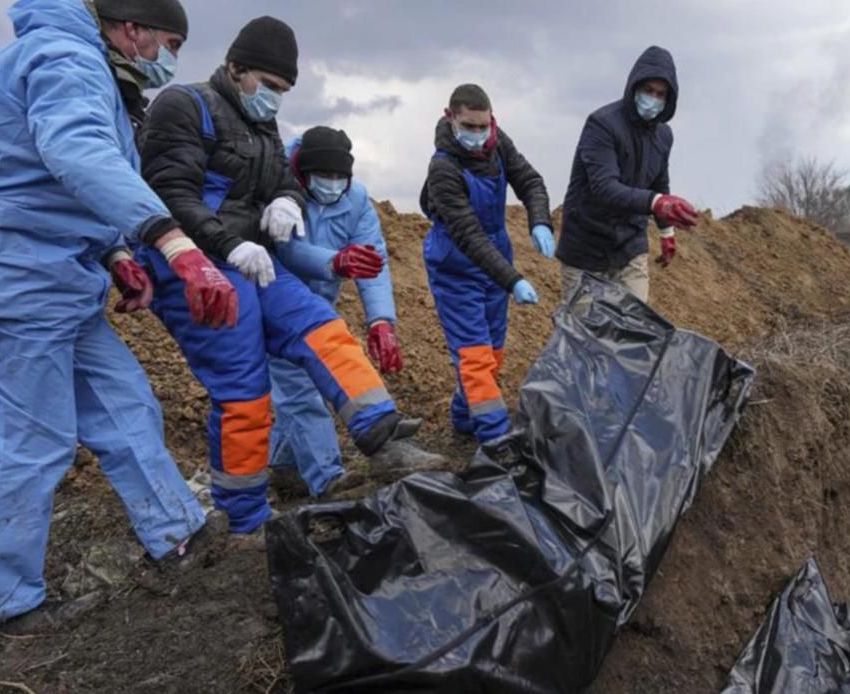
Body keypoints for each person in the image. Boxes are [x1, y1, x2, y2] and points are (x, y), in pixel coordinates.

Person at [0, 0, 234, 631]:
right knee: (28, 442)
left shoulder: (87, 67)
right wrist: (172, 242)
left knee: (124, 403)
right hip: (12, 278)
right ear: (131, 28)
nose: (167, 58)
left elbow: (51, 178)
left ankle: (177, 531)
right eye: (166, 42)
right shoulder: (67, 58)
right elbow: (76, 153)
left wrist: (117, 253)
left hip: (57, 279)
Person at [139, 16, 442, 536]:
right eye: (271, 85)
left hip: (253, 260)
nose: (276, 98)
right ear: (236, 69)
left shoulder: (263, 128)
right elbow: (169, 193)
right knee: (245, 391)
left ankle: (384, 438)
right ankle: (246, 520)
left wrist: (285, 198)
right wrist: (228, 244)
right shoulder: (183, 106)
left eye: (284, 90)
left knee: (323, 327)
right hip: (195, 263)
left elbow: (284, 180)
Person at [269, 127, 405, 497]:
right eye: (323, 177)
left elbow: (372, 261)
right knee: (299, 390)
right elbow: (284, 249)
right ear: (302, 171)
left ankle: (283, 467)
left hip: (319, 305)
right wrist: (334, 262)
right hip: (277, 301)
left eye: (339, 178)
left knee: (303, 383)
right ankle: (328, 479)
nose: (331, 185)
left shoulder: (356, 199)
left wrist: (381, 321)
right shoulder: (278, 188)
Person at [420, 84, 553, 460]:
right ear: (451, 117)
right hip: (456, 266)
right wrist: (512, 279)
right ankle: (497, 443)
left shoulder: (497, 143)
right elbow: (468, 234)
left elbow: (530, 180)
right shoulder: (443, 168)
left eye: (484, 126)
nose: (478, 135)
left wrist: (539, 220)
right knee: (475, 357)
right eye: (469, 126)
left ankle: (464, 417)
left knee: (493, 353)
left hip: (495, 258)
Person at [556, 46, 700, 304]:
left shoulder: (663, 135)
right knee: (585, 337)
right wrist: (656, 202)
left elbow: (659, 182)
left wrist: (666, 232)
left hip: (630, 245)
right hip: (586, 247)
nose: (653, 98)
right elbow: (605, 187)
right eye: (648, 91)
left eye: (660, 94)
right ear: (634, 87)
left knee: (635, 330)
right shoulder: (602, 125)